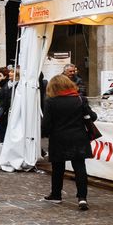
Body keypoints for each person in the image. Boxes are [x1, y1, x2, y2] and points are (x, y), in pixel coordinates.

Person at [41, 72, 97, 210]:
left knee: (58, 168)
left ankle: (56, 195)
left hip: (58, 138)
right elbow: (93, 117)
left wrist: (45, 134)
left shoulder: (50, 102)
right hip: (78, 137)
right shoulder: (79, 99)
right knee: (80, 168)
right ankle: (82, 198)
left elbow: (46, 124)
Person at [0, 67, 12, 143]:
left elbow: (4, 100)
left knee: (4, 132)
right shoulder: (2, 86)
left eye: (0, 76)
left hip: (4, 114)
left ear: (5, 76)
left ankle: (3, 147)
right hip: (4, 114)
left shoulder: (5, 86)